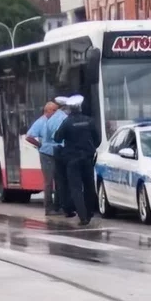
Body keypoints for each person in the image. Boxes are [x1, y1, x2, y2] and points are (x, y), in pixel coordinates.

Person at [53, 95, 101, 227]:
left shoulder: (67, 122)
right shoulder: (89, 121)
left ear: (70, 108)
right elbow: (97, 139)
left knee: (76, 188)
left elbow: (57, 138)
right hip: (88, 158)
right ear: (80, 107)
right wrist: (91, 148)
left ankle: (83, 217)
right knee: (89, 186)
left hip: (72, 160)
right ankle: (90, 212)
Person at [39, 97, 72, 217]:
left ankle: (58, 206)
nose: (55, 112)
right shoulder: (45, 121)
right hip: (48, 153)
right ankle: (49, 208)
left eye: (56, 110)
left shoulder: (57, 119)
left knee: (59, 181)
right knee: (49, 182)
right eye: (53, 110)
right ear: (47, 111)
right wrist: (41, 146)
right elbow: (30, 136)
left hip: (57, 153)